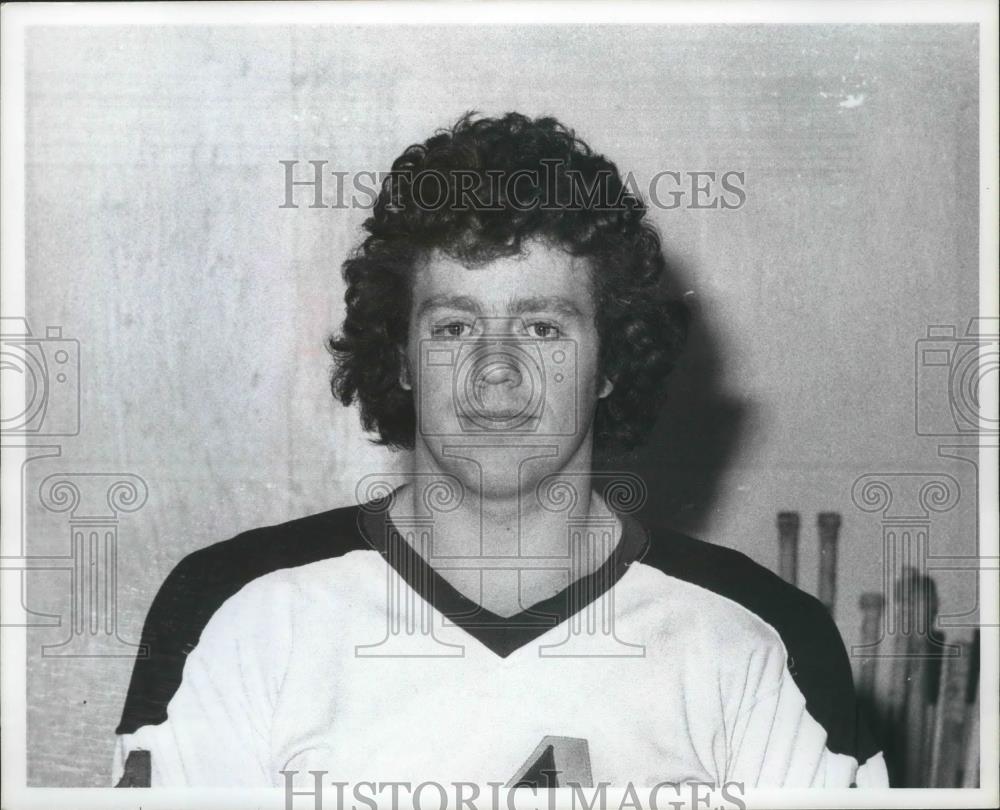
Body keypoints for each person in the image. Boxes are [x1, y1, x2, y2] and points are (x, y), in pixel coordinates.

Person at [113, 112, 888, 790]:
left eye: (543, 328)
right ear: (401, 358)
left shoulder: (763, 639)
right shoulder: (236, 608)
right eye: (454, 328)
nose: (496, 373)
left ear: (612, 360)